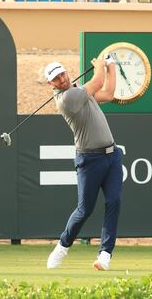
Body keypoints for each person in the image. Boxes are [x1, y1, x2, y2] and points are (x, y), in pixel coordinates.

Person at [44, 55, 122, 271]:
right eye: (56, 78)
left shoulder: (78, 90)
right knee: (84, 210)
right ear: (51, 84)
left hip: (112, 155)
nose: (61, 79)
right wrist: (100, 66)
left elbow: (108, 93)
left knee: (114, 201)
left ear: (67, 72)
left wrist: (112, 65)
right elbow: (97, 82)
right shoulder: (67, 98)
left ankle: (105, 254)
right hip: (90, 159)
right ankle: (62, 246)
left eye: (62, 74)